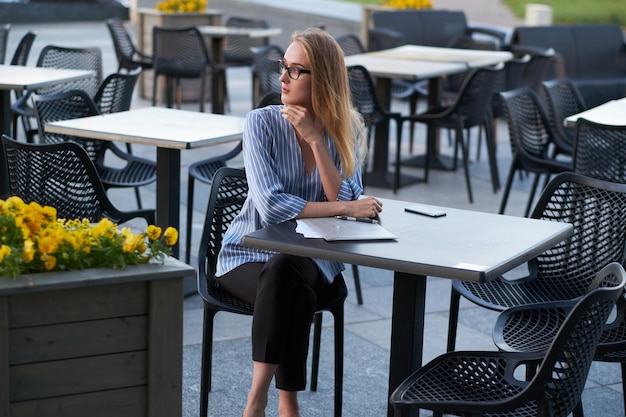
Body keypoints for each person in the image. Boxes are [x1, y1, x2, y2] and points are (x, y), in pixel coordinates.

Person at [215, 27, 383, 417]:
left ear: (321, 78)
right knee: (286, 278)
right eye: (283, 67)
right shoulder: (261, 123)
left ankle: (256, 403)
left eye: (295, 70)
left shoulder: (348, 131)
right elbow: (272, 207)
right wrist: (343, 208)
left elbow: (342, 198)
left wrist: (316, 142)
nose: (283, 79)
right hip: (246, 255)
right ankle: (281, 401)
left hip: (317, 258)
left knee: (287, 270)